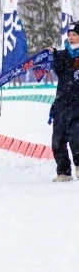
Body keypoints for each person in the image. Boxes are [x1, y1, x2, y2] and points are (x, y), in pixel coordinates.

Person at [46, 22, 79, 182]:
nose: (71, 38)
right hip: (61, 104)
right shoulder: (63, 55)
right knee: (57, 141)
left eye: (74, 35)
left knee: (76, 138)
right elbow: (58, 68)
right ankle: (64, 172)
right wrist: (52, 53)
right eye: (69, 35)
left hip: (78, 106)